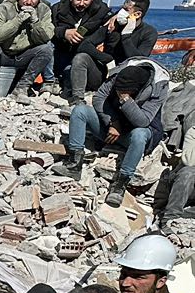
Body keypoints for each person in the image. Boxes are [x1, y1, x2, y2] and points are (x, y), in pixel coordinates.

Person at [64, 61, 172, 207]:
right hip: (111, 128)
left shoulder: (158, 88)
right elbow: (99, 97)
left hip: (133, 135)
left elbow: (143, 121)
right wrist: (113, 122)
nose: (117, 92)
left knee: (140, 135)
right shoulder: (120, 75)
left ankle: (120, 184)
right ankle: (75, 163)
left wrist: (125, 99)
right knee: (80, 111)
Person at [52, 0, 114, 100]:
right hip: (60, 53)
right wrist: (64, 33)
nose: (81, 3)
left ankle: (77, 95)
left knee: (80, 58)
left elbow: (110, 28)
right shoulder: (57, 9)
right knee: (48, 47)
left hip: (84, 54)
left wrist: (116, 17)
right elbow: (48, 30)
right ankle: (49, 82)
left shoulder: (101, 10)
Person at [103, 0, 158, 67]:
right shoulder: (114, 23)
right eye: (122, 8)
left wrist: (126, 35)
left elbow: (138, 61)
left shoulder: (149, 32)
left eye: (126, 10)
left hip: (129, 70)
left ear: (137, 14)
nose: (121, 12)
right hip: (107, 65)